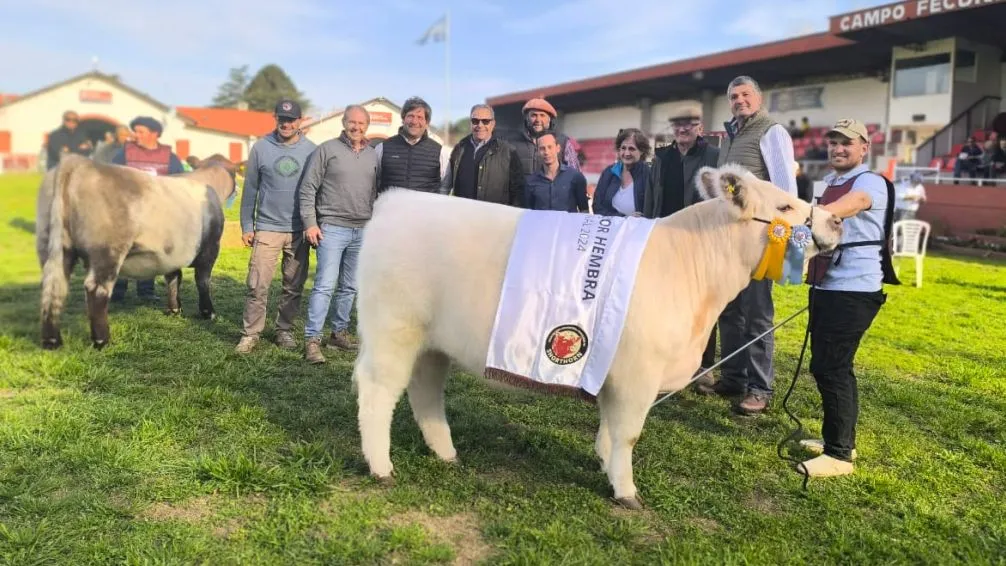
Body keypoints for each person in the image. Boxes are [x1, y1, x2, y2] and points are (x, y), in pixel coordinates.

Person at [799, 118, 899, 477]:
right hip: (827, 285)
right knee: (825, 365)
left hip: (854, 289)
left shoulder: (869, 181)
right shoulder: (829, 183)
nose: (838, 149)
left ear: (863, 148)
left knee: (833, 368)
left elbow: (854, 204)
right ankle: (838, 442)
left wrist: (809, 218)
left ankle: (839, 456)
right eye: (833, 143)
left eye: (847, 143)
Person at [696, 75, 798, 416]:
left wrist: (785, 239)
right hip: (730, 241)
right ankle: (734, 376)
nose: (739, 100)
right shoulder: (730, 135)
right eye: (733, 96)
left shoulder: (772, 131)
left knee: (757, 314)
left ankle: (760, 387)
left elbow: (785, 190)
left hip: (759, 240)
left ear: (759, 97)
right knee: (730, 310)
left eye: (745, 94)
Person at [642, 104, 721, 379]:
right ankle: (666, 357)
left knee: (700, 303)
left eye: (689, 123)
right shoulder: (662, 157)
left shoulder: (714, 156)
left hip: (698, 242)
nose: (683, 128)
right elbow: (652, 196)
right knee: (664, 300)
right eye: (678, 124)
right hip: (665, 239)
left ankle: (703, 364)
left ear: (700, 127)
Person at [235, 99, 317, 354]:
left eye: (291, 119)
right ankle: (251, 333)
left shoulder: (312, 151)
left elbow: (317, 191)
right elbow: (250, 190)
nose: (286, 123)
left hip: (298, 229)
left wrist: (313, 225)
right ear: (276, 118)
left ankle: (284, 330)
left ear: (300, 121)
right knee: (257, 284)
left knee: (293, 286)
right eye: (282, 119)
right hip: (268, 227)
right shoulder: (260, 147)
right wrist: (248, 225)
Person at [299, 105, 380, 364]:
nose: (356, 127)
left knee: (350, 286)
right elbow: (308, 188)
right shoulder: (326, 150)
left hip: (363, 229)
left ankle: (339, 332)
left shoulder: (372, 155)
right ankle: (312, 339)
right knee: (324, 285)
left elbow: (375, 192)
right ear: (343, 123)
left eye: (361, 123)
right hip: (332, 228)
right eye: (351, 122)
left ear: (367, 125)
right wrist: (310, 223)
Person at [110, 116, 185, 303]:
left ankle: (146, 290)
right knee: (122, 251)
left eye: (140, 131)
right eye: (135, 131)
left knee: (149, 250)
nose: (136, 135)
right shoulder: (124, 154)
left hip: (155, 214)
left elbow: (179, 183)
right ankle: (117, 290)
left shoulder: (170, 157)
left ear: (154, 134)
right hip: (128, 212)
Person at [441, 103, 525, 206]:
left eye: (485, 121)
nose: (480, 125)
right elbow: (446, 185)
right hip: (462, 216)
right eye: (475, 121)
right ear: (470, 123)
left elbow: (518, 190)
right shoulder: (459, 149)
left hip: (494, 218)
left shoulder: (508, 152)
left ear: (493, 124)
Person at [375, 96, 450, 193]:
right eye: (410, 116)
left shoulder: (440, 152)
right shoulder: (382, 148)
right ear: (403, 119)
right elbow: (376, 181)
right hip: (392, 208)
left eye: (420, 117)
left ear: (427, 123)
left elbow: (445, 186)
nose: (414, 121)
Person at [507, 97, 581, 177]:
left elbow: (575, 174)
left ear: (549, 120)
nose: (538, 120)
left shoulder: (563, 142)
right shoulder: (512, 142)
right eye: (533, 115)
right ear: (527, 118)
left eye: (542, 115)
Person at [592, 128, 650, 217]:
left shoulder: (648, 174)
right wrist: (624, 219)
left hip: (639, 229)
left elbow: (654, 209)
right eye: (623, 148)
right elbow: (597, 207)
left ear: (642, 151)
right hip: (611, 228)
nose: (627, 153)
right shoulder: (609, 172)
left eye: (631, 149)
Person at [524, 131, 588, 212]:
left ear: (558, 148)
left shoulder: (575, 177)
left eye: (550, 147)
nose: (546, 152)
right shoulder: (530, 181)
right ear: (537, 152)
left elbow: (584, 210)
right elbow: (528, 213)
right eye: (542, 148)